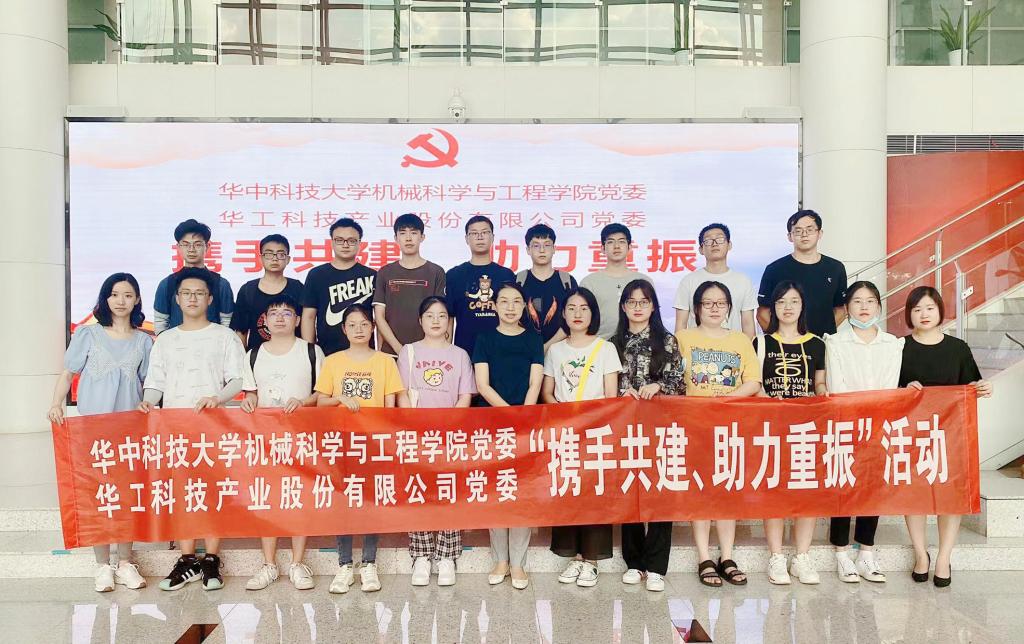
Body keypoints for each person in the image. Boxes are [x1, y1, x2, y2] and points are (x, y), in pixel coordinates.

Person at [139, 267, 247, 592]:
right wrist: (148, 402)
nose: (193, 298)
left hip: (214, 427)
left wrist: (218, 398)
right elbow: (156, 382)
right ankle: (187, 559)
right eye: (186, 293)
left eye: (199, 293)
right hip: (176, 428)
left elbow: (238, 380)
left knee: (213, 491)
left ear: (210, 299)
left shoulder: (224, 337)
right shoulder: (165, 340)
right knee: (182, 492)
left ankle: (212, 558)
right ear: (177, 299)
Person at [47, 273, 152, 593]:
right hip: (93, 432)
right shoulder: (88, 334)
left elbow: (148, 385)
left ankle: (125, 562)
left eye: (128, 295)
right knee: (99, 496)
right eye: (115, 294)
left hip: (129, 432)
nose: (121, 301)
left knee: (127, 496)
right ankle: (102, 565)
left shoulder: (144, 341)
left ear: (137, 300)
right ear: (105, 298)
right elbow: (68, 374)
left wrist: (148, 404)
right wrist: (56, 404)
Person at [899, 286, 992, 588]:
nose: (923, 314)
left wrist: (983, 388)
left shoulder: (958, 348)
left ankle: (943, 558)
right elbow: (888, 390)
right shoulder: (899, 348)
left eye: (929, 308)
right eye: (917, 309)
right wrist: (903, 390)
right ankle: (920, 554)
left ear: (940, 310)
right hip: (911, 434)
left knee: (950, 496)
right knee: (914, 495)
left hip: (951, 435)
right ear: (909, 315)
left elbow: (971, 386)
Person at [675, 281, 761, 587]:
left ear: (729, 308)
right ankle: (704, 558)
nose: (714, 308)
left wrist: (726, 399)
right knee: (700, 491)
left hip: (730, 426)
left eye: (721, 303)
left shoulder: (740, 340)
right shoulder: (683, 338)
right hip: (694, 427)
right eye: (707, 303)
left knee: (727, 491)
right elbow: (673, 379)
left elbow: (753, 381)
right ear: (696, 308)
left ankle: (727, 557)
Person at [314, 303, 404, 594]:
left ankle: (368, 563)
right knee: (343, 501)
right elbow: (320, 401)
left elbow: (390, 405)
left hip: (374, 443)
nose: (358, 330)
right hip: (341, 442)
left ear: (373, 328)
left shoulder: (385, 362)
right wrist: (339, 398)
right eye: (352, 325)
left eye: (364, 324)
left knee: (371, 501)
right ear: (343, 329)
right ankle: (344, 565)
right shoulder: (333, 361)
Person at [239, 294, 325, 591]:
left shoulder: (311, 351)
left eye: (287, 313)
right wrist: (249, 401)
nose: (279, 317)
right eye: (273, 313)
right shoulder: (253, 353)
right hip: (265, 441)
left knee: (298, 498)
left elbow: (322, 392)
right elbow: (250, 392)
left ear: (297, 320)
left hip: (301, 438)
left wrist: (303, 402)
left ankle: (298, 564)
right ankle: (269, 564)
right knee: (268, 499)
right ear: (264, 320)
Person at [824, 280, 904, 584]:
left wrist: (875, 417)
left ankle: (866, 551)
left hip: (879, 424)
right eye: (857, 301)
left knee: (873, 487)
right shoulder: (835, 342)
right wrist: (855, 416)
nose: (864, 307)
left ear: (879, 307)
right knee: (844, 484)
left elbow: (890, 386)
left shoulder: (892, 344)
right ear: (847, 308)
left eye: (870, 301)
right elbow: (837, 385)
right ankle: (842, 552)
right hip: (845, 423)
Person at [542, 287, 622, 588]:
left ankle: (591, 561)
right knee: (568, 490)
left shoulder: (605, 348)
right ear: (563, 314)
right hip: (565, 432)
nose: (577, 313)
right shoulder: (556, 351)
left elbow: (611, 396)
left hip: (596, 432)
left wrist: (592, 421)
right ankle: (574, 557)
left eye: (584, 308)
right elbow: (547, 392)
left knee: (594, 494)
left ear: (593, 313)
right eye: (572, 308)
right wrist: (564, 415)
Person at [396, 296, 476, 587]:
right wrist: (415, 425)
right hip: (417, 434)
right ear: (420, 320)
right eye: (430, 315)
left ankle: (446, 556)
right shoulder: (408, 352)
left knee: (447, 491)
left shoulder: (460, 355)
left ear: (449, 321)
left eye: (442, 316)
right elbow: (402, 393)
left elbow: (465, 396)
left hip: (450, 434)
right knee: (418, 490)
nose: (436, 321)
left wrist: (448, 425)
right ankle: (421, 555)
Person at [609, 279, 683, 592]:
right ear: (623, 306)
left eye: (644, 301)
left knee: (661, 492)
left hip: (660, 428)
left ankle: (656, 566)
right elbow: (606, 386)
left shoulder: (667, 341)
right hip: (625, 430)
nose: (638, 307)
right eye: (632, 301)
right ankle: (634, 562)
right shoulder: (612, 344)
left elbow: (680, 384)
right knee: (631, 490)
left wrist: (659, 386)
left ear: (653, 306)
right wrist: (622, 392)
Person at [754, 280, 826, 586]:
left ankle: (802, 557)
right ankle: (776, 556)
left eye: (794, 301)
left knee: (806, 491)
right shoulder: (760, 344)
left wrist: (821, 394)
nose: (787, 307)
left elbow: (819, 382)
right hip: (771, 428)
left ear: (802, 306)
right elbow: (754, 384)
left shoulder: (817, 344)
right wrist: (768, 402)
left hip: (806, 428)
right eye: (781, 301)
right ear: (772, 307)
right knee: (775, 489)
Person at [473, 282, 544, 590]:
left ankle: (518, 563)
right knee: (495, 491)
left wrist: (523, 415)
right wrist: (509, 414)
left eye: (516, 301)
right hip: (491, 423)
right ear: (494, 306)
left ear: (524, 306)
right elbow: (482, 385)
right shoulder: (484, 338)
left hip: (526, 423)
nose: (510, 307)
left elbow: (535, 382)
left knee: (521, 492)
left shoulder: (533, 338)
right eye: (504, 301)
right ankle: (500, 560)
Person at [757, 210, 848, 337]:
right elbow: (762, 313)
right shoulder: (774, 269)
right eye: (798, 231)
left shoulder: (836, 268)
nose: (804, 235)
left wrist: (819, 337)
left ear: (820, 233)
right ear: (790, 236)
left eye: (810, 230)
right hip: (786, 344)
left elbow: (841, 309)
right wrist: (783, 339)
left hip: (823, 343)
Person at [373, 213, 447, 356]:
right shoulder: (384, 272)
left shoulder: (436, 272)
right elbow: (379, 316)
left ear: (422, 237)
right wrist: (400, 350)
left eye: (413, 233)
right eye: (402, 233)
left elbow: (442, 314)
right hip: (392, 353)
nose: (408, 238)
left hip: (428, 353)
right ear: (396, 238)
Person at [301, 217, 376, 356]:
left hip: (365, 355)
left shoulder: (372, 275)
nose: (345, 245)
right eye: (340, 240)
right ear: (332, 242)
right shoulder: (316, 275)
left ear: (360, 243)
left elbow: (379, 318)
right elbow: (309, 317)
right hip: (327, 354)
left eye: (351, 240)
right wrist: (310, 352)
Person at [445, 215, 515, 357]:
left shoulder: (506, 275)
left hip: (501, 350)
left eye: (484, 232)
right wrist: (447, 353)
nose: (480, 237)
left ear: (492, 237)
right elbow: (449, 318)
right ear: (467, 239)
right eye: (474, 233)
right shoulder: (454, 275)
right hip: (464, 352)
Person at [674, 223, 756, 338]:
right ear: (701, 249)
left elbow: (748, 324)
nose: (714, 243)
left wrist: (748, 348)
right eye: (708, 241)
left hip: (733, 347)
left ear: (729, 245)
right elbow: (680, 325)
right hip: (697, 346)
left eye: (720, 239)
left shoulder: (743, 281)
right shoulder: (688, 281)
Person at [153, 219, 235, 334]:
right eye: (186, 244)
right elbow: (161, 324)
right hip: (177, 344)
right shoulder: (167, 284)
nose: (191, 249)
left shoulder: (221, 284)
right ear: (178, 247)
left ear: (207, 246)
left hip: (212, 344)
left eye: (197, 244)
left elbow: (227, 324)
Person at [231, 234, 304, 352]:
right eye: (269, 254)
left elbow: (305, 324)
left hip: (294, 355)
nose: (275, 259)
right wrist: (242, 358)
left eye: (280, 254)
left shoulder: (298, 288)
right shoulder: (248, 290)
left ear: (288, 259)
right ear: (261, 258)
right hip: (258, 357)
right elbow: (241, 330)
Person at [581, 223, 651, 339]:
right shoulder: (589, 282)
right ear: (602, 248)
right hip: (599, 345)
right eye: (610, 242)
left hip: (639, 345)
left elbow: (653, 317)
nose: (616, 246)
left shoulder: (644, 281)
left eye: (622, 241)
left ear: (630, 247)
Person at [517, 224, 578, 351]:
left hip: (562, 351)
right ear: (528, 250)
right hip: (524, 350)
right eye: (536, 245)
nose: (542, 250)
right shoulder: (518, 281)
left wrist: (546, 347)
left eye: (547, 245)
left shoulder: (567, 281)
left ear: (554, 248)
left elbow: (573, 317)